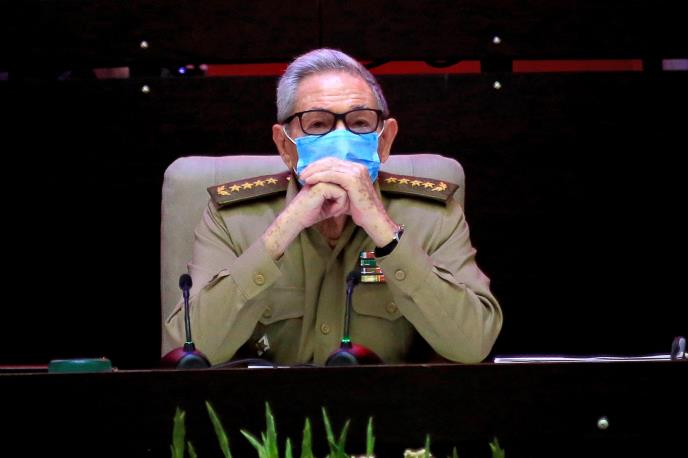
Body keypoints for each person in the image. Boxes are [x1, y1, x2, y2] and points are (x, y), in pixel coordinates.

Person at [163, 48, 502, 365]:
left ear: (385, 140)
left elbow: (473, 345)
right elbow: (189, 352)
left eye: (359, 123)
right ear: (284, 145)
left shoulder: (432, 215)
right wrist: (284, 229)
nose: (340, 139)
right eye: (318, 124)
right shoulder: (232, 218)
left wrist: (384, 230)